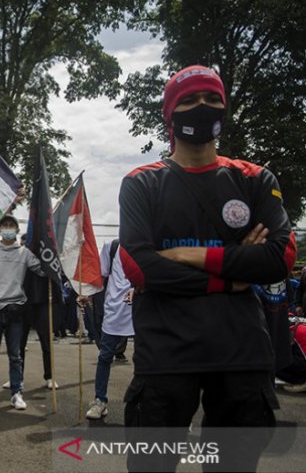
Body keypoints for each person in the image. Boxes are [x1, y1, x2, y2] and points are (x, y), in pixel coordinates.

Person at [119, 65, 296, 471]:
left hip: (241, 353)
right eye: (190, 100)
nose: (202, 107)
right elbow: (140, 268)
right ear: (170, 113)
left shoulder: (253, 178)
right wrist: (235, 276)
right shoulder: (142, 183)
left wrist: (187, 255)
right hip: (166, 354)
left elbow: (279, 258)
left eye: (212, 99)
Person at [0, 215, 45, 411]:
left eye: (11, 226)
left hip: (15, 309)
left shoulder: (24, 253)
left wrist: (53, 252)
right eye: (4, 225)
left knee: (15, 355)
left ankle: (16, 393)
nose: (7, 229)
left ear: (17, 230)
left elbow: (42, 269)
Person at [77, 239, 134, 420]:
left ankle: (150, 403)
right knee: (104, 357)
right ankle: (100, 400)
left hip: (142, 309)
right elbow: (99, 275)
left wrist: (140, 289)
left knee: (147, 360)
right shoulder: (113, 247)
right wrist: (87, 293)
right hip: (114, 310)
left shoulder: (147, 242)